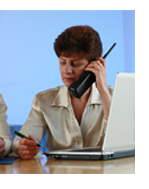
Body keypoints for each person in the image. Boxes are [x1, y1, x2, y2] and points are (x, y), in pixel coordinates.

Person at [11, 25, 113, 159]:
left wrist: (104, 92)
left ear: (95, 65)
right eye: (62, 62)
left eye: (75, 64)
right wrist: (23, 146)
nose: (67, 70)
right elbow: (19, 143)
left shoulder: (114, 96)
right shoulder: (44, 100)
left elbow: (124, 141)